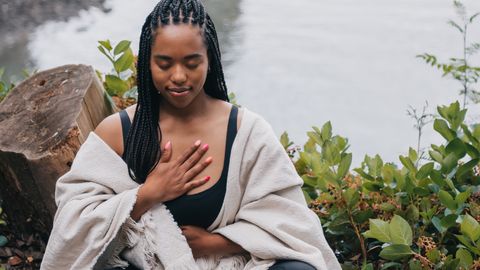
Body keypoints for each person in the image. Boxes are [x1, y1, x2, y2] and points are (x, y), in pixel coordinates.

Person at [40, 1, 341, 269]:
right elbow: (74, 228)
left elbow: (291, 224)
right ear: (147, 62)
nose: (179, 76)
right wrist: (148, 194)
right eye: (165, 63)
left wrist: (217, 244)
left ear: (210, 60)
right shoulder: (118, 132)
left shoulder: (247, 132)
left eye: (192, 62)